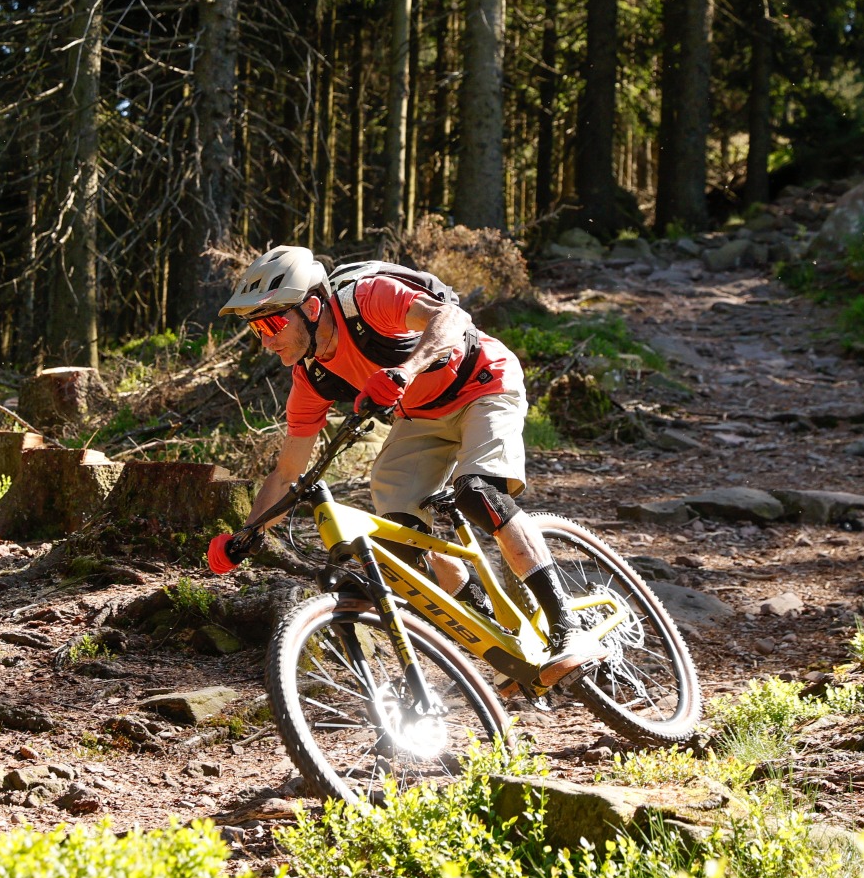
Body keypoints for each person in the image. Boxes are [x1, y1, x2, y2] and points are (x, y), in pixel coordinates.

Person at [210, 244, 610, 686]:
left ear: (311, 307)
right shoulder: (311, 379)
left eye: (272, 324)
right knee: (400, 543)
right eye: (257, 329)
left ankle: (569, 628)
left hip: (484, 383)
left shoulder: (366, 299)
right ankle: (507, 643)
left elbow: (452, 318)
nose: (266, 340)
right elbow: (288, 473)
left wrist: (405, 370)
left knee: (479, 494)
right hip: (421, 418)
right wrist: (248, 533)